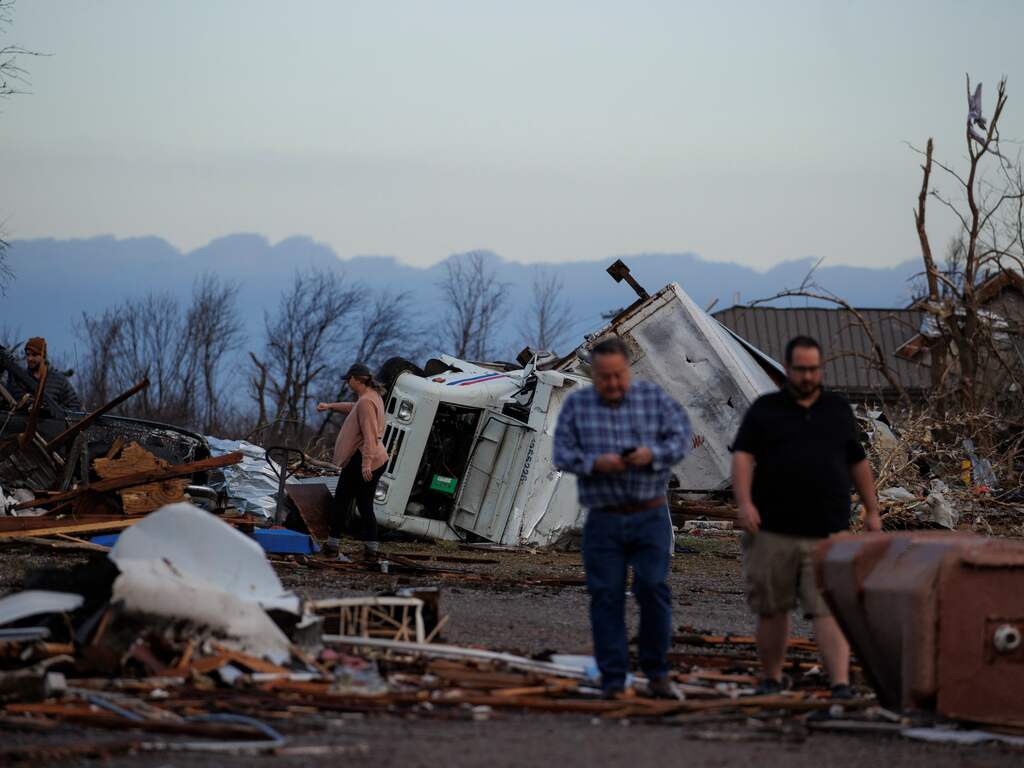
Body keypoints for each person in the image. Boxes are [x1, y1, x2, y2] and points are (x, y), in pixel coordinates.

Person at [730, 335, 882, 699]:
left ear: (821, 369)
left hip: (828, 532)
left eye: (814, 369)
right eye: (801, 369)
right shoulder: (765, 410)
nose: (808, 376)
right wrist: (745, 503)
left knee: (829, 610)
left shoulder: (837, 410)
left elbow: (856, 461)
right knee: (772, 609)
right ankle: (770, 679)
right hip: (772, 531)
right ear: (787, 369)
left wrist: (873, 510)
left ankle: (840, 684)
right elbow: (742, 457)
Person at [553, 337, 692, 699]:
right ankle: (614, 679)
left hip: (649, 514)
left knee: (653, 589)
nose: (612, 384)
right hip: (604, 518)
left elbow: (682, 439)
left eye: (618, 376)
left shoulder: (654, 400)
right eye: (604, 377)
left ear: (627, 370)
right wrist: (595, 463)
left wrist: (652, 455)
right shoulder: (577, 406)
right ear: (593, 374)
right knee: (606, 596)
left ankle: (657, 673)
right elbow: (562, 454)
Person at [316, 363, 389, 562]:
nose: (348, 383)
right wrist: (330, 406)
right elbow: (352, 408)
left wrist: (366, 464)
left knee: (341, 501)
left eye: (349, 380)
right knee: (364, 504)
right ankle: (371, 549)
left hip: (364, 457)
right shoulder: (371, 397)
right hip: (376, 457)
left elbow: (370, 434)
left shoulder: (366, 402)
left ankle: (332, 546)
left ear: (357, 379)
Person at [4, 337, 82, 412]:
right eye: (28, 355)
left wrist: (52, 411)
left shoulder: (59, 381)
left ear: (43, 356)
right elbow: (5, 404)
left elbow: (74, 405)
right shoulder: (17, 379)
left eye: (34, 355)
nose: (29, 358)